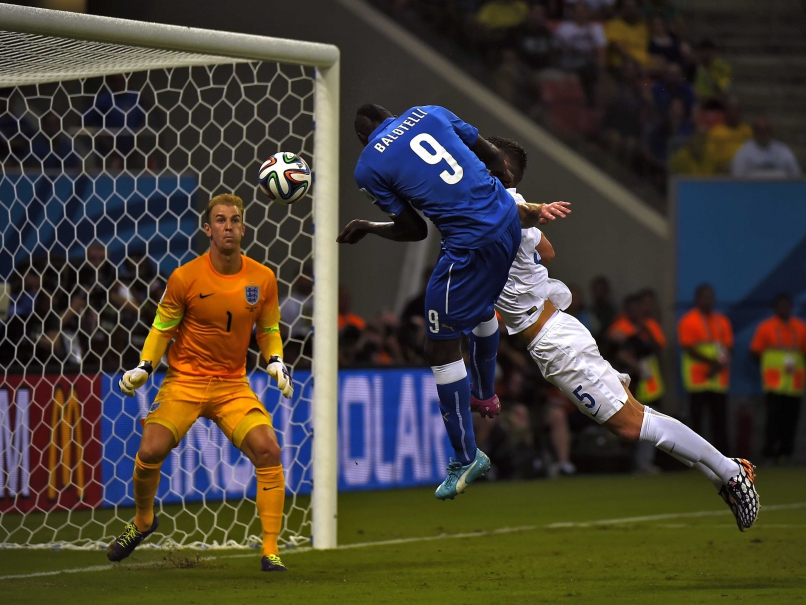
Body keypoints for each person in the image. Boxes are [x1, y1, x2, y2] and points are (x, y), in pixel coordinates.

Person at [488, 135, 759, 531]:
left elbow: (534, 237)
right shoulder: (503, 206)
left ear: (499, 169)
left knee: (633, 425)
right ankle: (722, 475)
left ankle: (729, 471)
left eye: (481, 158)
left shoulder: (504, 204)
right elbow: (547, 252)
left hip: (557, 343)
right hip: (555, 335)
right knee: (638, 416)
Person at [337, 103, 569, 500]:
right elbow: (494, 156)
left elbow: (413, 230)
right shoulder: (428, 112)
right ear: (392, 115)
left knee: (439, 346)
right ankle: (483, 392)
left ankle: (466, 456)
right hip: (506, 225)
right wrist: (498, 194)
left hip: (469, 243)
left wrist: (369, 227)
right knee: (480, 308)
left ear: (362, 136)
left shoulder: (368, 165)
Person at [109, 193, 294, 572]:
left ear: (244, 227)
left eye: (236, 220)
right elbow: (162, 329)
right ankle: (144, 520)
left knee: (268, 451)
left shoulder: (262, 278)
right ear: (208, 229)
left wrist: (275, 362)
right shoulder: (185, 277)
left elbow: (269, 329)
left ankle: (270, 550)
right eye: (221, 220)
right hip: (185, 381)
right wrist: (145, 366)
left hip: (232, 386)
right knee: (150, 450)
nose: (229, 226)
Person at [677, 284, 733, 456]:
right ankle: (695, 457)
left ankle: (722, 458)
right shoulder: (688, 320)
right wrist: (712, 363)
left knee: (720, 422)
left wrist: (718, 365)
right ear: (697, 299)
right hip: (698, 380)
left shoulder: (722, 321)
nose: (708, 300)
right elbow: (689, 347)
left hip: (718, 380)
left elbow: (728, 347)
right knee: (696, 422)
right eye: (704, 296)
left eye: (710, 296)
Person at [750, 294, 806, 463]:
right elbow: (755, 352)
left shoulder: (800, 327)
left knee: (791, 420)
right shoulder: (766, 327)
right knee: (773, 419)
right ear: (775, 308)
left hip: (794, 383)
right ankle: (770, 453)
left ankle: (786, 454)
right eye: (781, 306)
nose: (785, 309)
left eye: (787, 306)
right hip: (774, 383)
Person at [731, 118, 802, 178]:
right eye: (760, 130)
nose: (763, 133)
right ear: (754, 132)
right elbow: (737, 177)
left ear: (771, 131)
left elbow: (795, 174)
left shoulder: (783, 150)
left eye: (766, 130)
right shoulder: (744, 152)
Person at [705, 98, 753, 173]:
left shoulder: (747, 131)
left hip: (745, 170)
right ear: (725, 113)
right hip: (723, 171)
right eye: (732, 110)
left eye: (737, 111)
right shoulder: (715, 132)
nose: (735, 114)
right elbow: (710, 156)